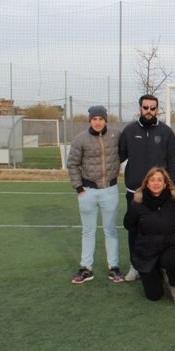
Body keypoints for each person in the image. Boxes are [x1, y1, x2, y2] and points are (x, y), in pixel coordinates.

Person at [119, 94, 175, 281]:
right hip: (135, 193)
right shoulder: (129, 131)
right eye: (145, 107)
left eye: (153, 108)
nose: (149, 111)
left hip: (160, 194)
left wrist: (170, 187)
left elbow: (173, 161)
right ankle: (134, 266)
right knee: (134, 230)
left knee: (161, 231)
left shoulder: (167, 132)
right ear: (140, 108)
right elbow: (119, 156)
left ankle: (162, 265)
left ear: (157, 109)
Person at [67, 105, 123, 284]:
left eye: (101, 119)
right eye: (94, 119)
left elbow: (126, 152)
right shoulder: (80, 139)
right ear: (90, 120)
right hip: (88, 192)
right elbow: (73, 164)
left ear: (106, 119)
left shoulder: (116, 135)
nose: (98, 122)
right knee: (88, 231)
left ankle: (113, 268)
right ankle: (86, 268)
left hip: (110, 190)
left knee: (111, 230)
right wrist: (79, 188)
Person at [123, 168, 175, 305]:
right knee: (154, 295)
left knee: (172, 258)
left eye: (160, 180)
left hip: (169, 245)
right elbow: (128, 225)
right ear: (146, 183)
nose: (156, 183)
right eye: (152, 180)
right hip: (146, 250)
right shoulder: (138, 203)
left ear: (165, 184)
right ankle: (160, 274)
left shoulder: (174, 202)